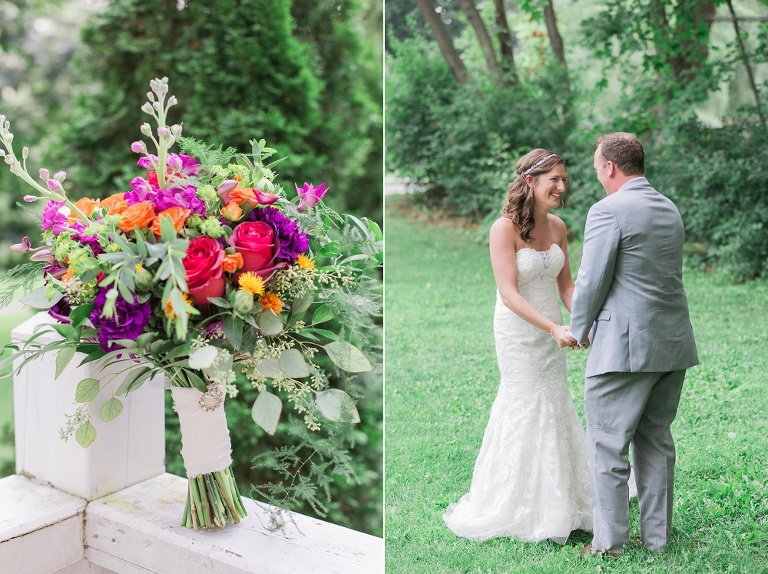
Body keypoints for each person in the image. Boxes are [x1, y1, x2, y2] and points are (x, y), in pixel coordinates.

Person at [443, 149, 592, 544]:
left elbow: (566, 287)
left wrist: (581, 320)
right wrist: (552, 328)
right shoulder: (503, 229)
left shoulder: (558, 227)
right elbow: (508, 293)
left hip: (553, 326)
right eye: (553, 179)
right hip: (519, 328)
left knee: (555, 398)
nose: (561, 186)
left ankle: (564, 496)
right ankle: (515, 501)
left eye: (564, 179)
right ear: (531, 181)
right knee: (525, 399)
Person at [569, 132, 698, 556]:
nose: (597, 176)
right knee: (656, 441)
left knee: (606, 444)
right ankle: (658, 540)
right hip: (672, 344)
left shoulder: (609, 210)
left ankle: (609, 544)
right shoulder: (668, 207)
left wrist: (579, 327)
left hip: (623, 348)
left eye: (596, 169)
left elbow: (591, 278)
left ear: (610, 167)